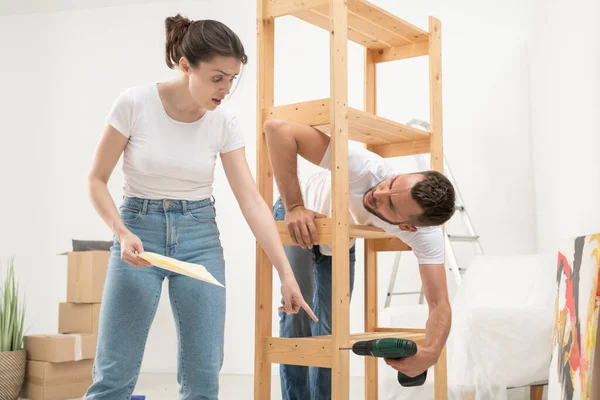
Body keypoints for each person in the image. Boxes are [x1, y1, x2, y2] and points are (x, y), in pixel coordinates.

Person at [84, 15, 316, 400]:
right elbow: (95, 179)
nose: (225, 89)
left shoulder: (223, 122)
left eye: (232, 78)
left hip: (199, 239)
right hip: (137, 233)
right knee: (114, 375)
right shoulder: (134, 104)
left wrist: (286, 274)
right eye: (217, 78)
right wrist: (121, 233)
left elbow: (253, 202)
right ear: (186, 66)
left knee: (203, 379)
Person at [264, 118, 455, 399]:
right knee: (298, 320)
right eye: (390, 184)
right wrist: (294, 206)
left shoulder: (425, 237)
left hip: (339, 240)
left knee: (330, 330)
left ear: (407, 227)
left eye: (389, 204)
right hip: (298, 215)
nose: (377, 193)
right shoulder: (364, 167)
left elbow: (439, 303)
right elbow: (278, 129)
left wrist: (431, 353)